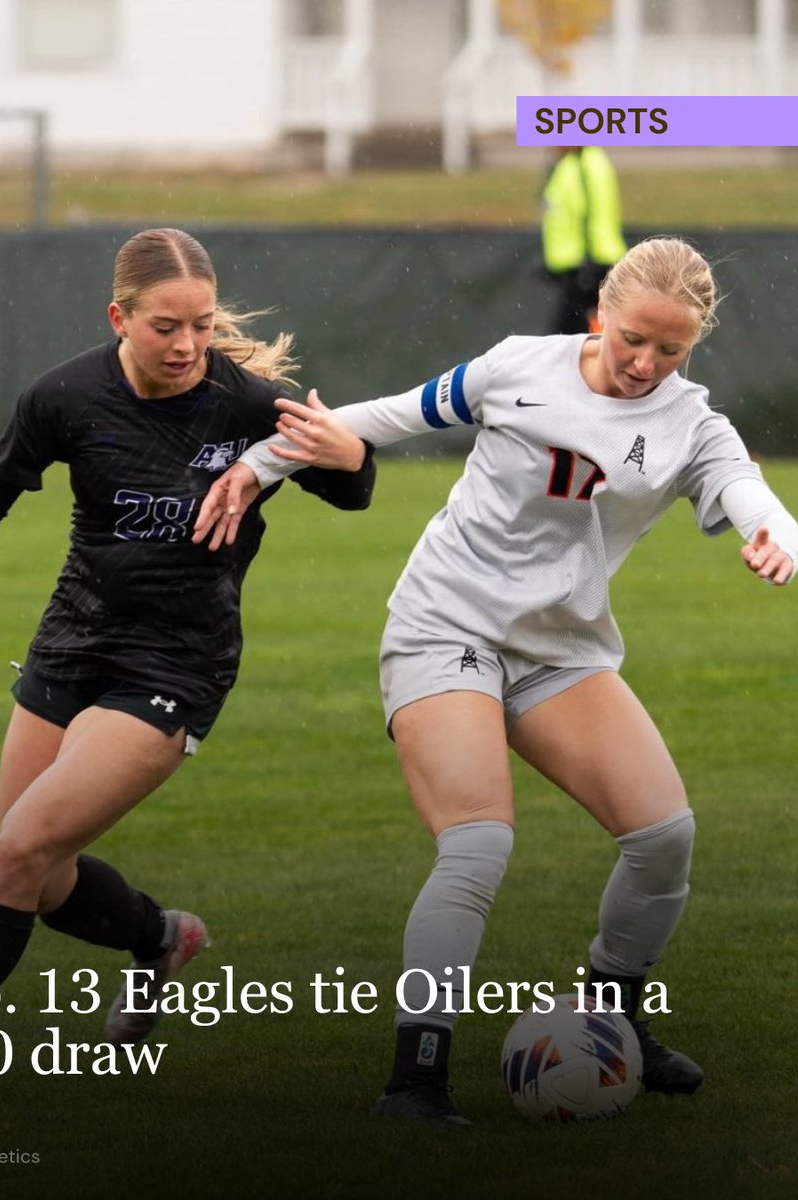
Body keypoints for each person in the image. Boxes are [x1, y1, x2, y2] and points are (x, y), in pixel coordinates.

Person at [193, 237, 798, 1127]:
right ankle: (417, 1079)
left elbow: (749, 490)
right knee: (478, 843)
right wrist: (257, 466)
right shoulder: (518, 367)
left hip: (559, 650)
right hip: (445, 626)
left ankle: (613, 1015)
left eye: (670, 350)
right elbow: (383, 419)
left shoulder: (693, 425)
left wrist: (775, 535)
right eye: (633, 338)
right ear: (601, 312)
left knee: (664, 837)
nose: (645, 363)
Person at [0, 227, 375, 1100]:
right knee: (37, 878)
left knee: (13, 857)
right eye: (166, 326)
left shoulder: (245, 403)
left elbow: (353, 489)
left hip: (177, 663)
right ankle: (161, 938)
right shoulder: (66, 395)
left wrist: (348, 454)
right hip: (71, 641)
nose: (188, 345)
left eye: (202, 324)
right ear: (119, 318)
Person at [542, 146, 627, 334]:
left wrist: (589, 263)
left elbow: (591, 212)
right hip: (575, 265)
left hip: (586, 265)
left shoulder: (585, 163)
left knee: (571, 335)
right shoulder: (571, 164)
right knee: (570, 335)